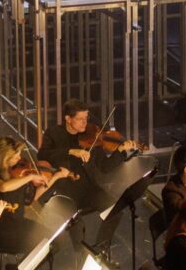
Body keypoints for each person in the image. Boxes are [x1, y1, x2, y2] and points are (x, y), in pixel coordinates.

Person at [38, 98, 142, 257]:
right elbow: (43, 154)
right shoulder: (54, 133)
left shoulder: (91, 136)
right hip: (63, 189)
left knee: (114, 208)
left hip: (87, 188)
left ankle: (100, 249)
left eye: (86, 118)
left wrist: (120, 150)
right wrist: (71, 151)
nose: (84, 123)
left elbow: (104, 167)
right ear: (68, 118)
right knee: (76, 223)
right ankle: (80, 257)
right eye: (80, 119)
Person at [0, 137, 71, 270]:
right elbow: (3, 187)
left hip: (19, 223)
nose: (19, 159)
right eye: (16, 156)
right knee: (37, 243)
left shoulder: (19, 173)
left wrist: (55, 177)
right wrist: (30, 177)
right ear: (4, 157)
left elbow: (30, 200)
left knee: (56, 240)